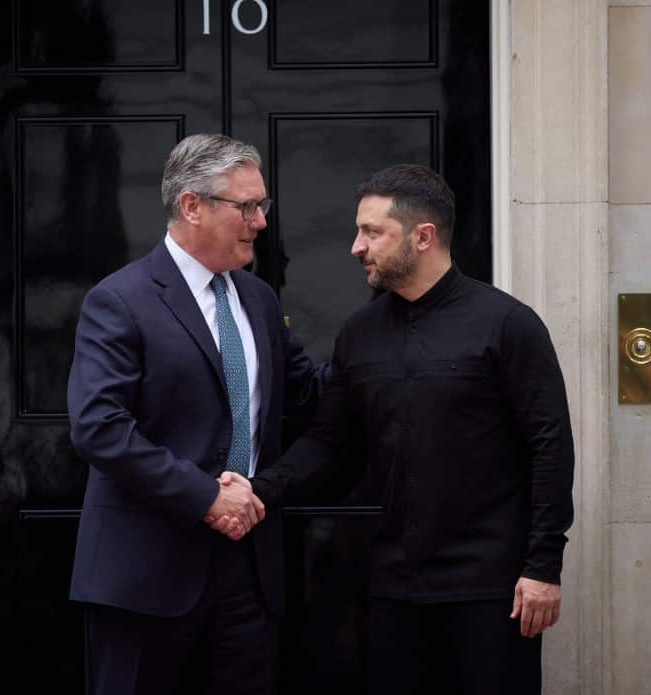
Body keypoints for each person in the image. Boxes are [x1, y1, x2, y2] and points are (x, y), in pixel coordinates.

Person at [210, 164, 575, 694]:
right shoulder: (360, 334)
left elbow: (550, 446)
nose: (357, 247)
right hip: (394, 588)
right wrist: (257, 492)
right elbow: (331, 444)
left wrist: (543, 567)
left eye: (372, 232)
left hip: (493, 588)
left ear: (423, 237)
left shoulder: (507, 324)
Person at [67, 133, 323, 695]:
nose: (260, 221)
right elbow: (98, 428)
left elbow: (309, 397)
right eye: (247, 206)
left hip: (249, 574)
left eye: (264, 206)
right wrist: (206, 495)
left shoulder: (259, 299)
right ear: (191, 205)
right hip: (145, 575)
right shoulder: (120, 300)